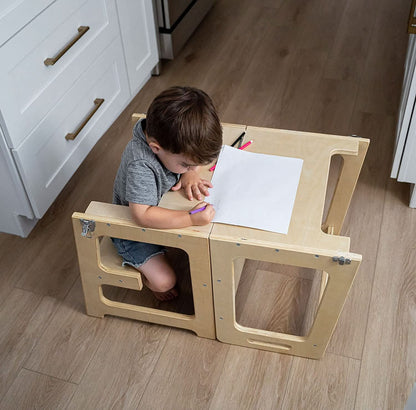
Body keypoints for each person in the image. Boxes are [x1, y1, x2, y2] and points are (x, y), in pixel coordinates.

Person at [112, 86, 223, 301]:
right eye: (186, 164)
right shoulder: (141, 165)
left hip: (161, 205)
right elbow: (142, 215)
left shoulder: (169, 138)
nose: (193, 167)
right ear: (155, 148)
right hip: (134, 233)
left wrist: (190, 172)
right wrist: (189, 219)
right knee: (165, 282)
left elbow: (189, 158)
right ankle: (148, 280)